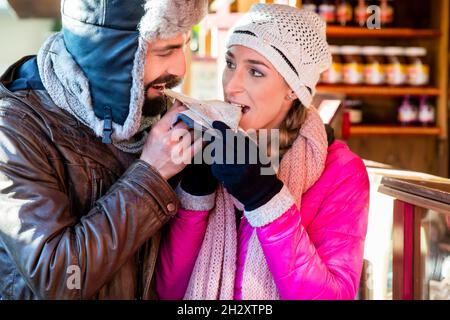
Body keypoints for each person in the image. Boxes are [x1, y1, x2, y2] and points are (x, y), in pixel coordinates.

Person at [155, 4, 370, 300]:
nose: (231, 86)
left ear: (293, 89)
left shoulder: (341, 171)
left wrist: (266, 199)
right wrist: (195, 195)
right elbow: (168, 291)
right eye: (230, 64)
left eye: (255, 71)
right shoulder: (206, 148)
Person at [0, 0, 207, 300]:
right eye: (165, 52)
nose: (181, 68)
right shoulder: (14, 129)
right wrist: (151, 175)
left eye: (184, 45)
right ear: (113, 56)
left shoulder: (150, 115)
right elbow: (60, 278)